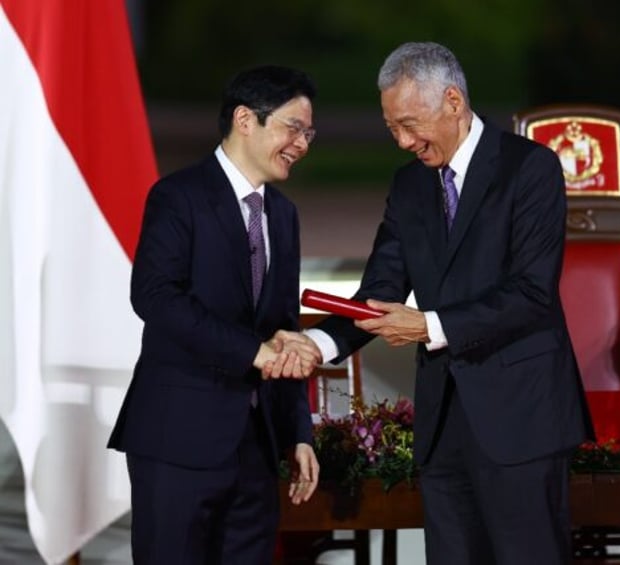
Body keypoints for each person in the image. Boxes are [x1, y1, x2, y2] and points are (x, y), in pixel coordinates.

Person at [300, 42, 592, 564]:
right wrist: (316, 343)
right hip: (444, 426)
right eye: (392, 128)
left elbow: (531, 293)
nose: (404, 141)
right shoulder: (410, 185)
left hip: (521, 419)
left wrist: (431, 325)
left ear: (454, 102)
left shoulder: (529, 169)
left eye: (411, 124)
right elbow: (379, 293)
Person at [108, 65, 323, 564]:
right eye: (293, 127)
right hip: (178, 440)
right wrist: (253, 352)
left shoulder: (284, 216)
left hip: (256, 450)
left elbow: (283, 330)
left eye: (309, 132)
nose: (303, 144)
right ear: (246, 119)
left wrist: (297, 432)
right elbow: (156, 297)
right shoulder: (179, 196)